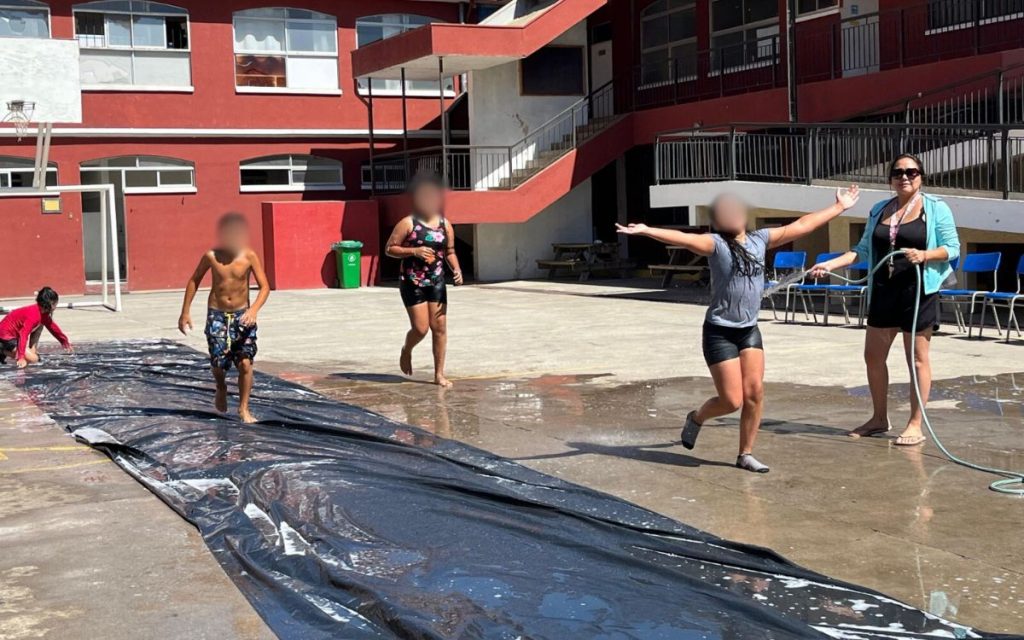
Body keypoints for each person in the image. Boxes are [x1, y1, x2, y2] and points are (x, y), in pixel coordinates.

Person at [617, 186, 861, 472]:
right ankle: (697, 417)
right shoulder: (715, 244)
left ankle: (745, 454)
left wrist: (839, 207)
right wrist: (647, 230)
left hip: (748, 330)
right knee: (731, 400)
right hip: (719, 331)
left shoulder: (760, 240)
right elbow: (684, 239)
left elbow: (801, 226)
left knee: (755, 392)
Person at [811, 154, 960, 446]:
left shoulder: (935, 208)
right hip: (884, 290)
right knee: (873, 357)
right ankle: (879, 418)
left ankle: (915, 424)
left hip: (918, 291)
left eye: (912, 172)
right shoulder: (880, 209)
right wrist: (829, 265)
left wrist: (926, 255)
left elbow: (952, 247)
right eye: (898, 172)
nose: (905, 177)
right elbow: (862, 250)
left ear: (921, 177)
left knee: (916, 360)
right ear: (890, 178)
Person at [178, 213, 270, 423]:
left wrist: (254, 309)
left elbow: (265, 287)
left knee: (245, 363)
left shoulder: (249, 256)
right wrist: (185, 312)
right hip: (217, 315)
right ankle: (221, 386)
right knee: (219, 364)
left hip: (242, 315)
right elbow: (194, 280)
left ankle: (243, 408)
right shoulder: (211, 256)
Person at [385, 173, 464, 388]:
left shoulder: (444, 224)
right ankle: (407, 349)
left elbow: (450, 251)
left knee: (439, 328)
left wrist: (456, 269)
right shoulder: (407, 223)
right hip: (413, 281)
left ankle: (439, 374)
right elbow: (389, 249)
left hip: (436, 281)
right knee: (420, 329)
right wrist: (415, 251)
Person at [0, 287, 73, 368]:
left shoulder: (43, 313)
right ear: (51, 303)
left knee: (41, 324)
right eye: (56, 303)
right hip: (5, 336)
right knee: (33, 360)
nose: (56, 306)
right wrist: (21, 357)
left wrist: (64, 341)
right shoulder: (33, 315)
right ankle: (2, 351)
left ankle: (31, 350)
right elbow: (23, 335)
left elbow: (53, 327)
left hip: (12, 335)